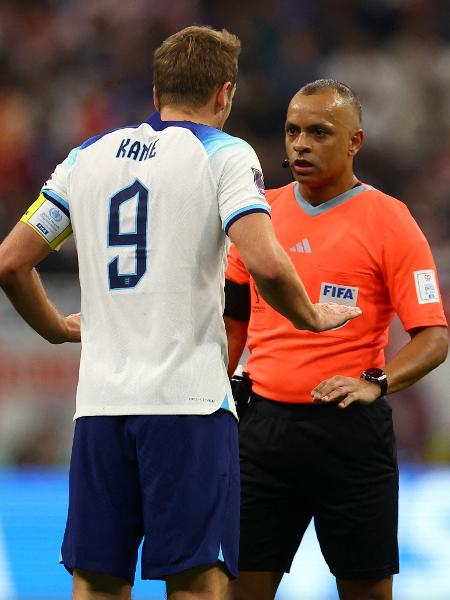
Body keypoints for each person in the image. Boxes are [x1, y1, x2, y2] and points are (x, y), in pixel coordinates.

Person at [0, 30, 361, 600]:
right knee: (196, 583)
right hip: (188, 407)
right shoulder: (225, 153)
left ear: (155, 91)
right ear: (224, 94)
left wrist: (54, 329)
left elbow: (11, 264)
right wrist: (311, 317)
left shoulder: (84, 159)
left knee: (96, 583)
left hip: (100, 409)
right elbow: (265, 262)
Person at [224, 79, 448, 600]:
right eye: (292, 131)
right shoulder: (258, 216)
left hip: (349, 436)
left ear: (355, 142)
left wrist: (377, 381)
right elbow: (232, 322)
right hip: (262, 433)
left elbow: (433, 337)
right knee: (239, 590)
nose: (300, 144)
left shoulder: (390, 222)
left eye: (319, 132)